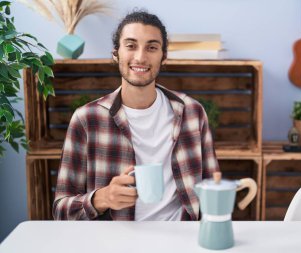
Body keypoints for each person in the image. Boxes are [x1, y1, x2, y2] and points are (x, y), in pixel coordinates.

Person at [52, 10, 219, 221]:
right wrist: (101, 198)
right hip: (116, 242)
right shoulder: (86, 119)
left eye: (151, 47)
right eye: (131, 46)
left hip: (181, 239)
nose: (140, 57)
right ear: (116, 54)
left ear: (163, 57)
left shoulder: (192, 113)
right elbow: (61, 212)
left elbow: (213, 190)